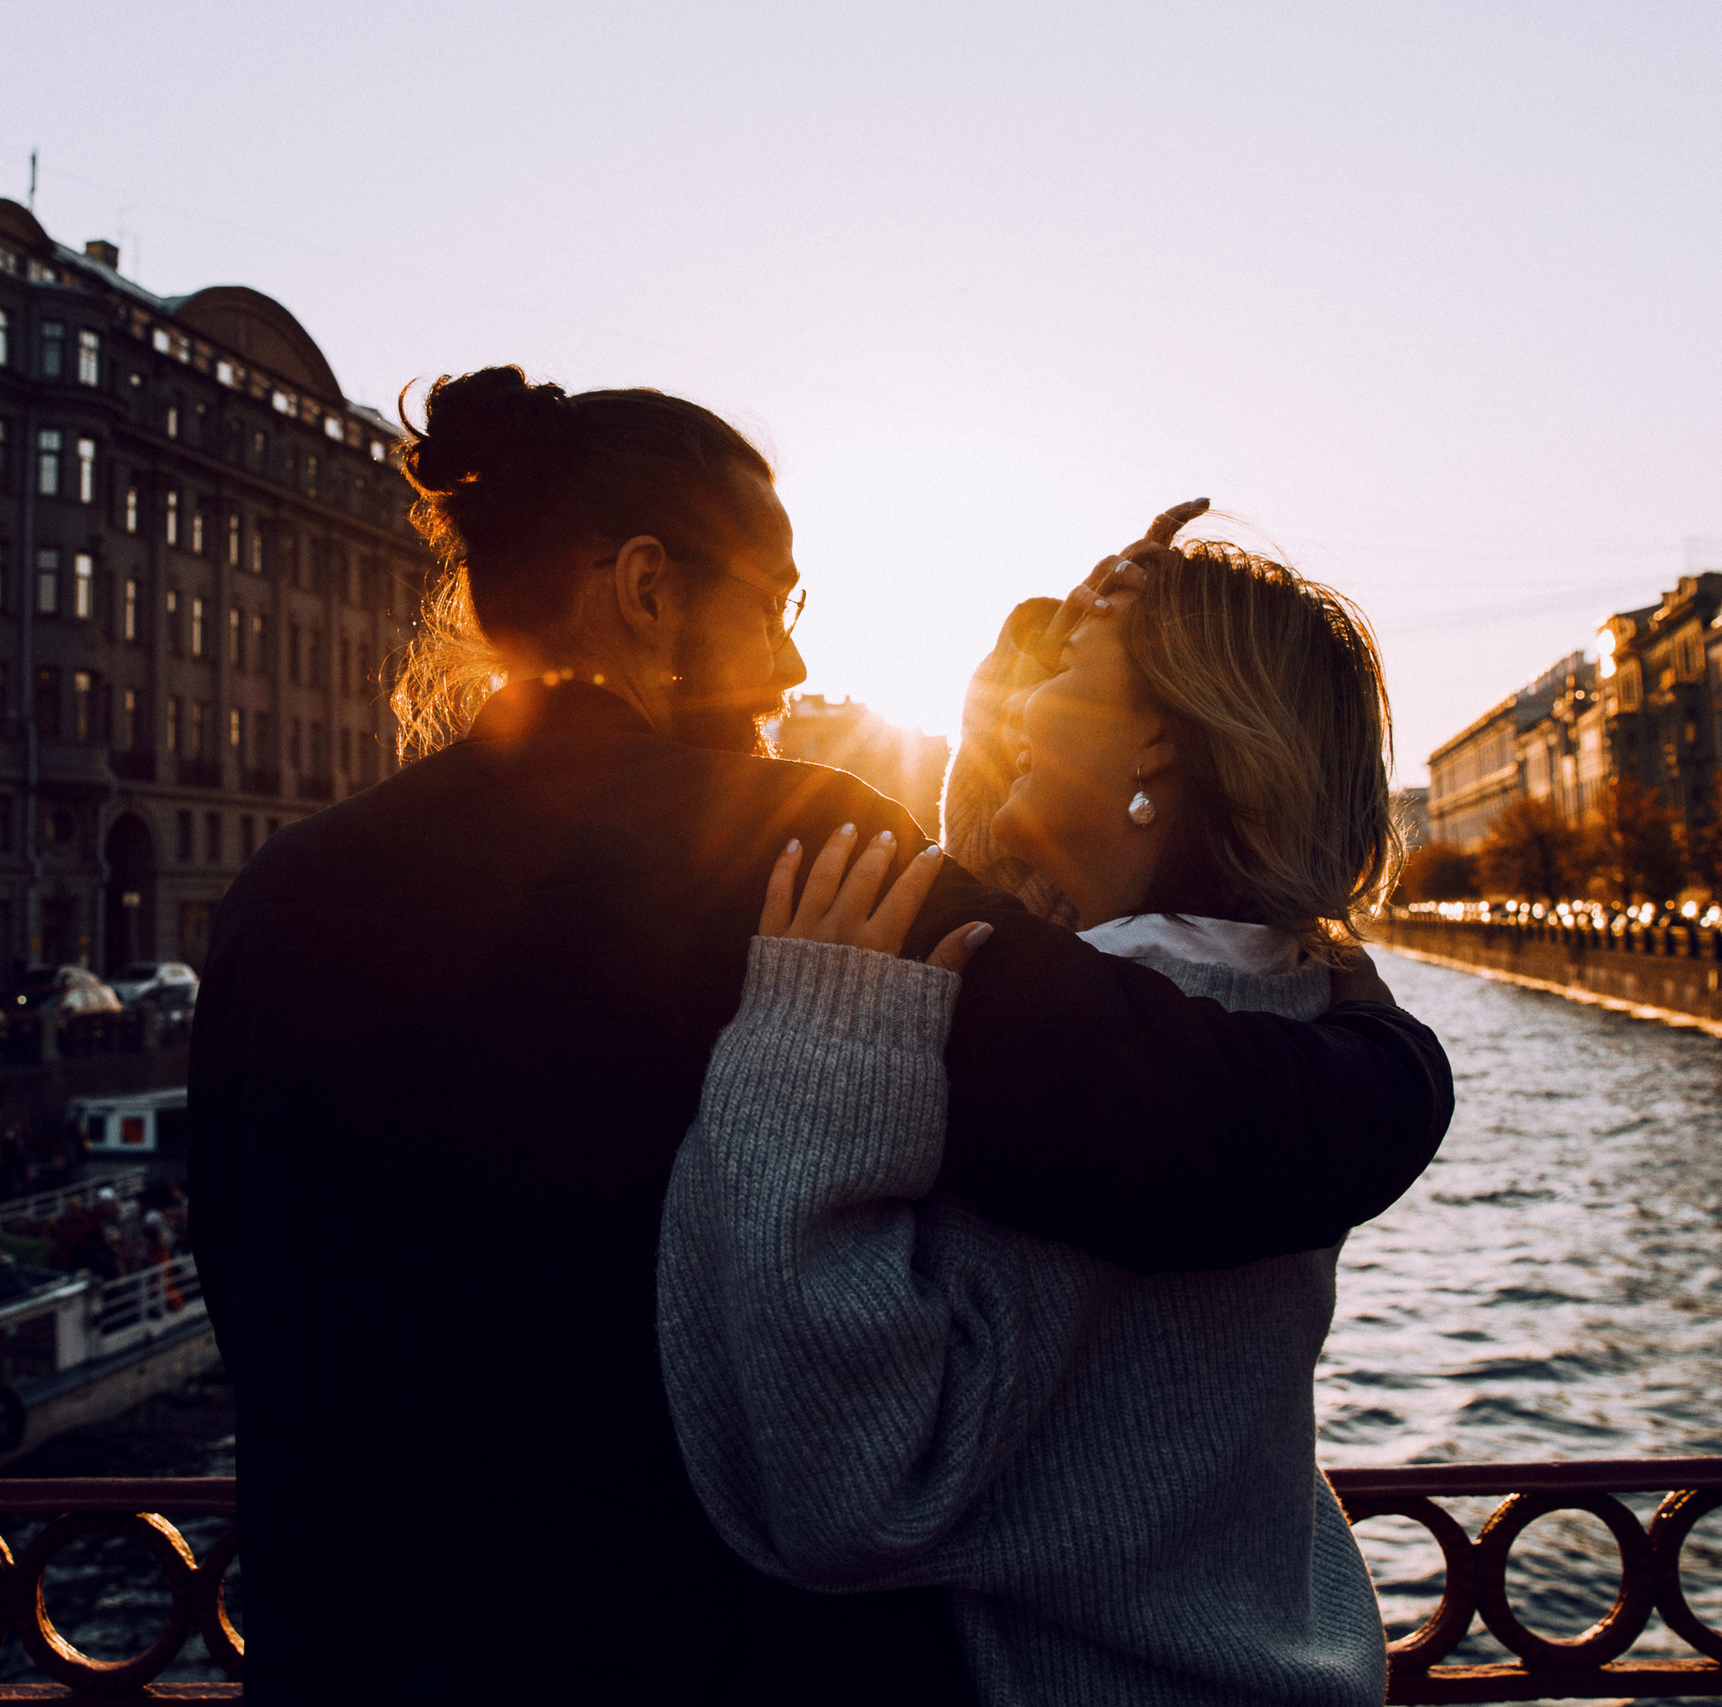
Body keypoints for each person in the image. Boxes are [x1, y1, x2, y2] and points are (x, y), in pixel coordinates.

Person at [187, 368, 1453, 1704]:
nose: (795, 664)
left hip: (353, 1642)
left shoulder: (287, 896)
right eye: (778, 605)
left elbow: (248, 1293)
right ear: (647, 590)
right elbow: (1190, 1119)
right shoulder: (776, 857)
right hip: (689, 1657)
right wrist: (1391, 1048)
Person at [661, 534, 1407, 1704]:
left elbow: (843, 1493)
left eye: (1064, 676)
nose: (1019, 704)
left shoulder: (1080, 1056)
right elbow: (998, 903)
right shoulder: (1272, 1008)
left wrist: (802, 1053)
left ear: (1156, 738)